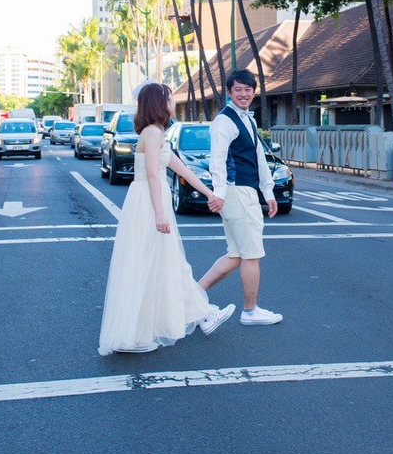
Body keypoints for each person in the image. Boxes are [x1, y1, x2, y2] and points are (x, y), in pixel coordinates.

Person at [97, 82, 234, 355]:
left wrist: (212, 194)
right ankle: (200, 315)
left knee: (160, 265)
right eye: (170, 98)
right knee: (158, 264)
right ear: (160, 103)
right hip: (149, 204)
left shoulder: (157, 133)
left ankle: (153, 328)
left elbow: (182, 169)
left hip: (151, 202)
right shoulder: (151, 133)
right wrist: (160, 213)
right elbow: (150, 175)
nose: (173, 103)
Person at [198, 70, 282, 326]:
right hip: (237, 192)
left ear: (253, 91)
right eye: (238, 90)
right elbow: (218, 161)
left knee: (236, 255)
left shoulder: (248, 120)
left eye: (248, 89)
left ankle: (190, 296)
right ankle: (250, 310)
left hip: (245, 192)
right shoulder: (224, 121)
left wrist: (268, 192)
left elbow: (258, 158)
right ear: (229, 93)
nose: (244, 94)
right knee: (251, 255)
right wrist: (220, 194)